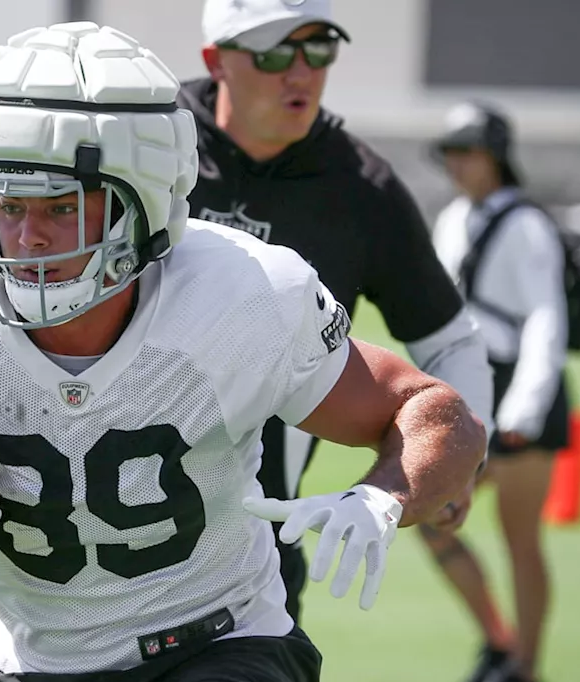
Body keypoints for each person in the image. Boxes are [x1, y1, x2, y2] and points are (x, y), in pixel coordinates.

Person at [0, 22, 485, 682]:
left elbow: (429, 409)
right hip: (42, 672)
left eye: (60, 205)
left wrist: (384, 497)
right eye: (7, 204)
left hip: (226, 649)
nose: (26, 238)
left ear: (145, 198)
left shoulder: (241, 293)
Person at [189, 0, 495, 622]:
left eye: (318, 50)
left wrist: (461, 461)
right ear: (216, 61)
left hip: (257, 555)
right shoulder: (145, 144)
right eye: (275, 53)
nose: (299, 72)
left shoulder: (362, 187)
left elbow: (449, 339)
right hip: (96, 540)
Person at [420, 101, 569, 682]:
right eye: (450, 152)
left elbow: (545, 318)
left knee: (519, 537)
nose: (457, 164)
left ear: (496, 156)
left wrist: (527, 407)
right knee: (431, 515)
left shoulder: (528, 224)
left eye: (469, 151)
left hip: (520, 390)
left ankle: (527, 670)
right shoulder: (454, 216)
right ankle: (498, 642)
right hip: (469, 382)